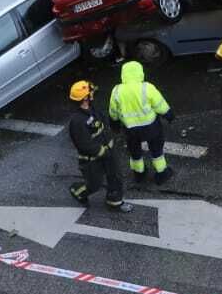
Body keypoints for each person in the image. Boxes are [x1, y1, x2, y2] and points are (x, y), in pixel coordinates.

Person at [66, 81, 130, 213]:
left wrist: (110, 141)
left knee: (116, 177)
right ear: (84, 98)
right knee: (94, 184)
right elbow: (84, 144)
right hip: (92, 159)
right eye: (90, 93)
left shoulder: (93, 108)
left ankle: (114, 202)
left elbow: (104, 125)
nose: (93, 93)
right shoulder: (77, 121)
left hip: (108, 151)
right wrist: (102, 151)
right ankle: (78, 192)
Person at [108, 60, 174, 185]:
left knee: (134, 151)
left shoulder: (117, 90)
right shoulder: (147, 87)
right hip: (151, 127)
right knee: (156, 150)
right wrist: (169, 115)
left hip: (130, 129)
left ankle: (139, 174)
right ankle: (161, 173)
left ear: (123, 74)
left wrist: (114, 124)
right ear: (140, 73)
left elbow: (113, 111)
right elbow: (159, 104)